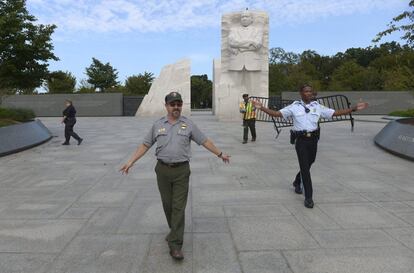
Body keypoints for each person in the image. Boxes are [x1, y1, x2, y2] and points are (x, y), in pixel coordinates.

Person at [119, 91, 230, 260]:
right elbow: (145, 144)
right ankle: (174, 232)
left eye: (179, 104)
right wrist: (131, 161)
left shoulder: (189, 124)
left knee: (178, 208)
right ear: (166, 106)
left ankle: (176, 244)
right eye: (173, 104)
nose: (176, 107)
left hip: (181, 171)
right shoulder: (157, 125)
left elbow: (204, 141)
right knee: (167, 205)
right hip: (162, 170)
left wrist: (220, 153)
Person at [252, 84, 368, 208]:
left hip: (313, 139)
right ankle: (309, 197)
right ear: (301, 93)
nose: (309, 93)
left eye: (310, 91)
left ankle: (297, 181)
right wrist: (262, 108)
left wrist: (353, 109)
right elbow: (276, 114)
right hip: (300, 140)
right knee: (305, 169)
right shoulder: (294, 107)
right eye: (306, 91)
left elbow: (335, 113)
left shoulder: (317, 107)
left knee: (310, 162)